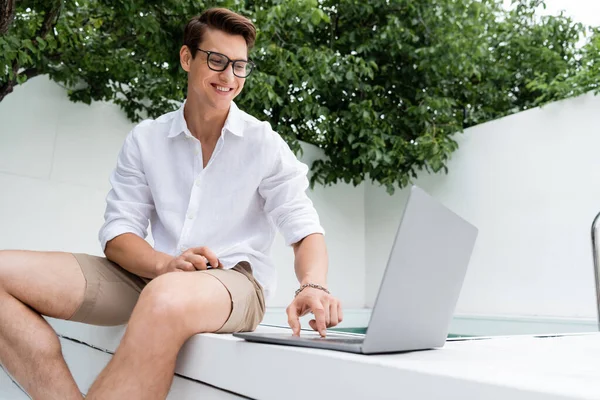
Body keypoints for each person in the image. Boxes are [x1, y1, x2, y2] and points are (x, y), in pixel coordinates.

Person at [0, 7, 342, 400]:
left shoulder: (263, 144)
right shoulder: (147, 139)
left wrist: (313, 285)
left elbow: (304, 227)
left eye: (239, 66)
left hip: (235, 281)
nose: (229, 77)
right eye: (216, 61)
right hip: (152, 271)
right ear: (186, 58)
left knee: (165, 297)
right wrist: (164, 264)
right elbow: (118, 233)